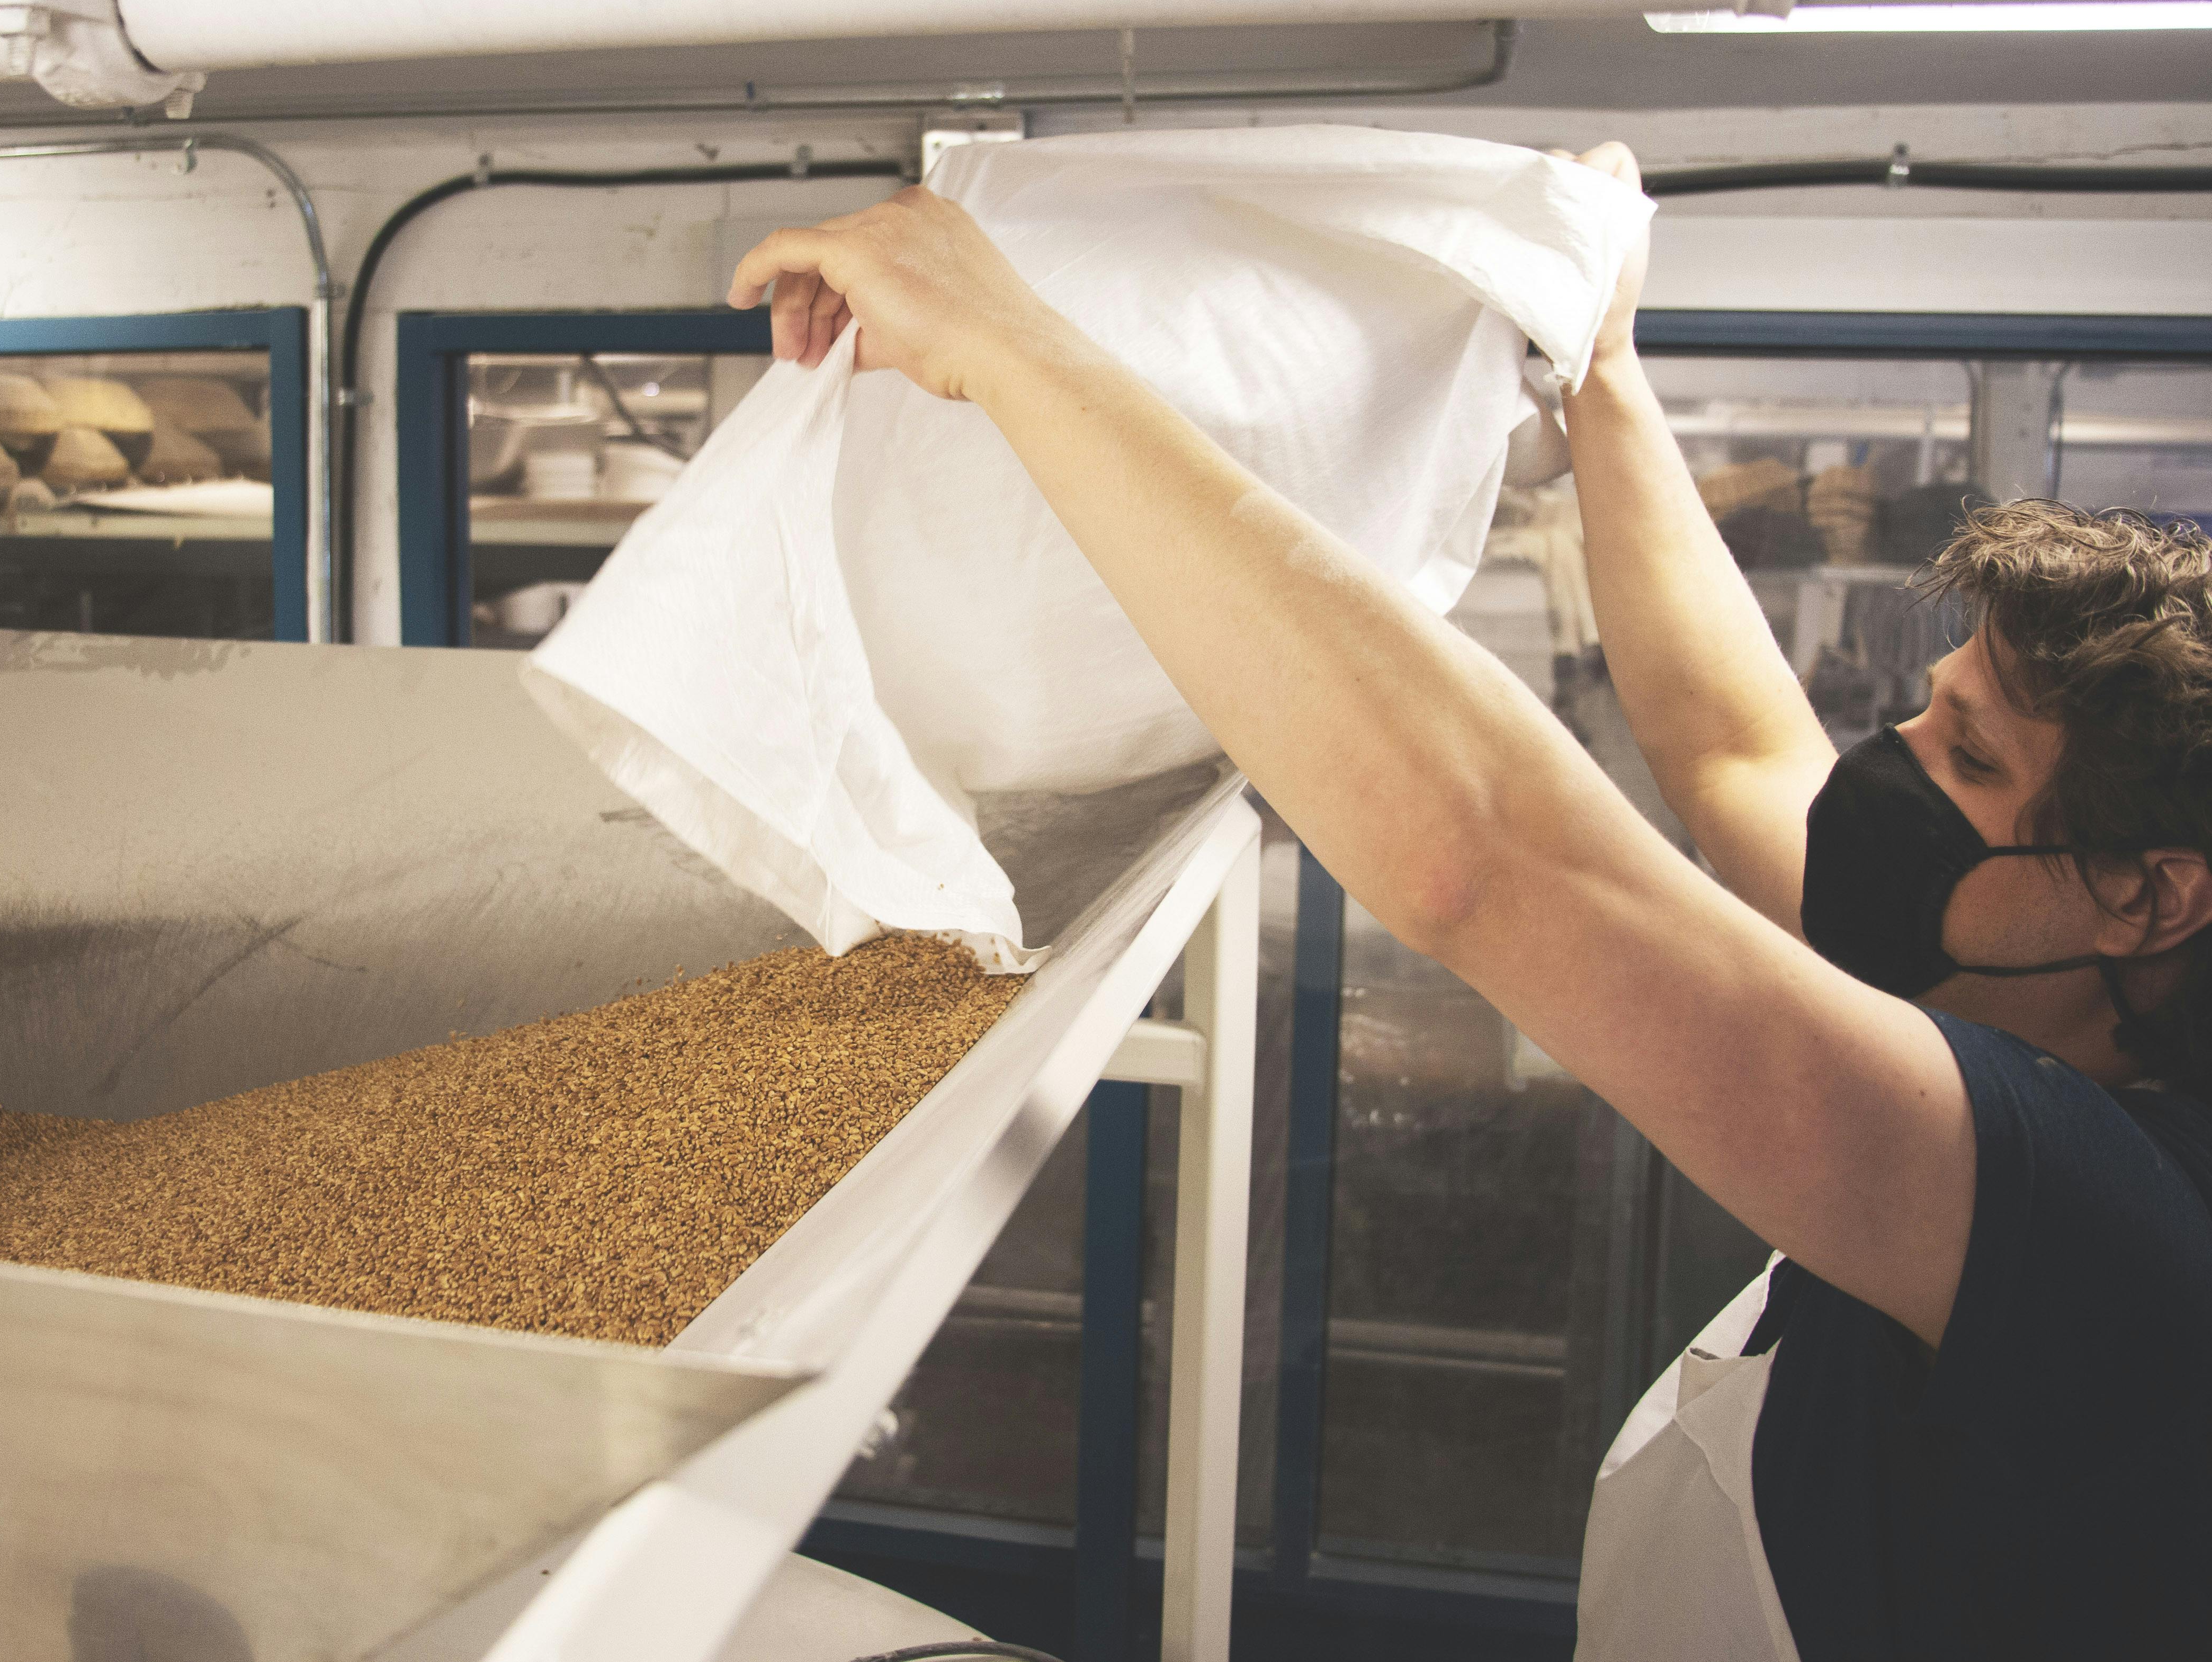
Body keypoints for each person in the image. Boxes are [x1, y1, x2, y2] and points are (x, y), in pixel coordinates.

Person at [728, 144, 2212, 1660]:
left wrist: (1006, 341)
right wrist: (1604, 369)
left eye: (1964, 754)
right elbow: (1730, 748)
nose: (1886, 768)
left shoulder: (2114, 1222)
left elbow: (1485, 855)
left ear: (2147, 898)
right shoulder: (1974, 981)